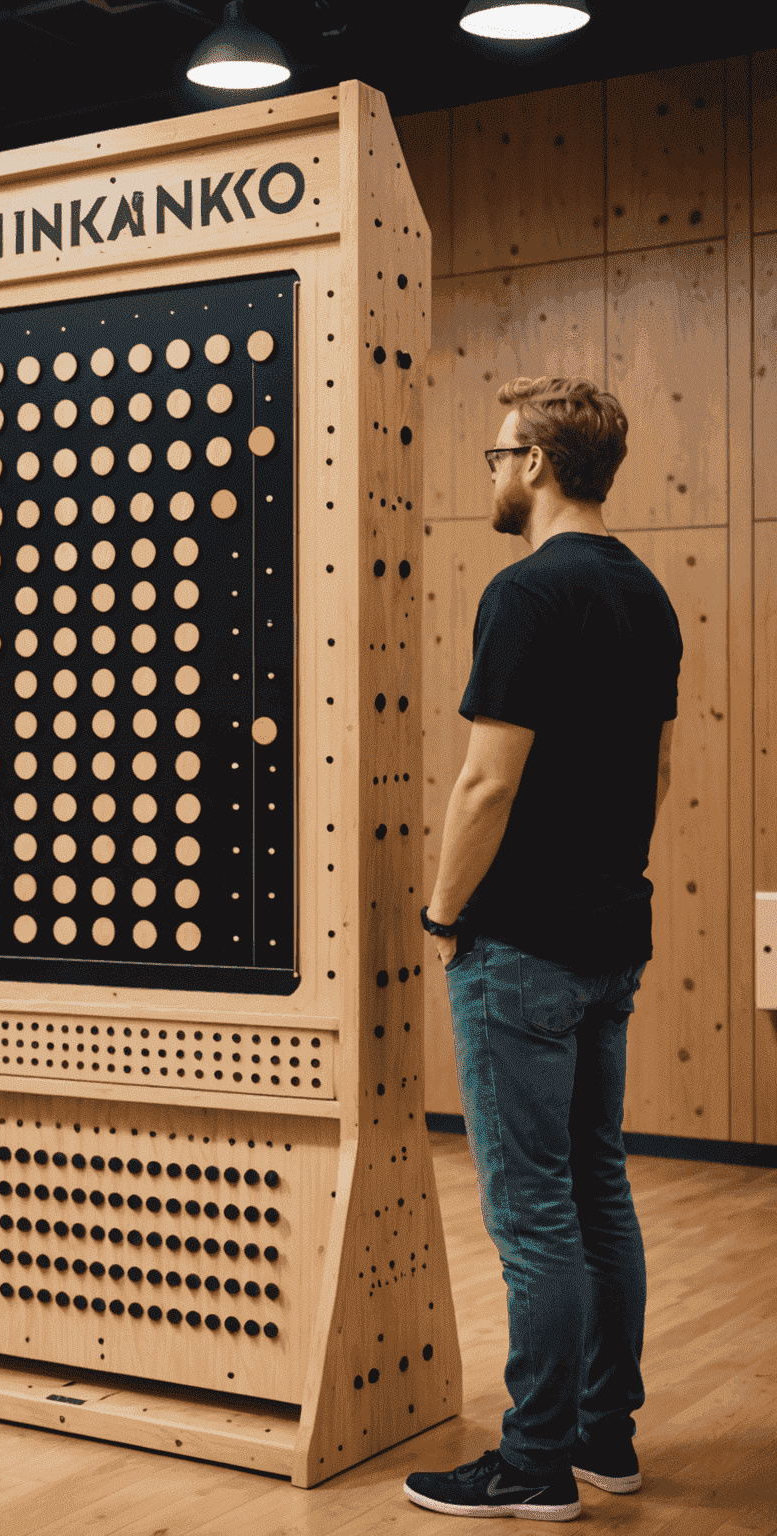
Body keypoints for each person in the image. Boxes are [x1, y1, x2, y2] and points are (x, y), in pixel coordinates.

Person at [404, 377, 682, 1521]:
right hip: (614, 938)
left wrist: (439, 910)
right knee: (599, 1189)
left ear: (540, 466)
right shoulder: (648, 596)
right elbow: (658, 773)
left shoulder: (527, 594)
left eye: (498, 452)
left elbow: (486, 779)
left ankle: (531, 1465)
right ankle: (605, 1438)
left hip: (520, 949)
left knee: (533, 1213)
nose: (490, 471)